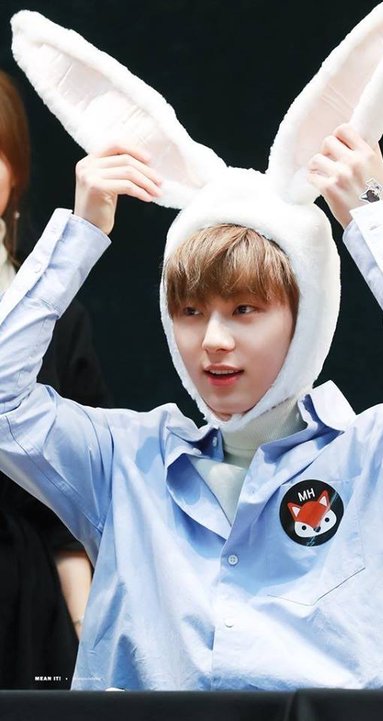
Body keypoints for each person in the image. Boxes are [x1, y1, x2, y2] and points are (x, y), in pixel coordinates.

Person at [2, 0, 383, 691]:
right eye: (190, 311)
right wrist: (79, 234)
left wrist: (373, 220)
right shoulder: (125, 465)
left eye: (246, 309)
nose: (214, 340)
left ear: (306, 315)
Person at [0, 69, 110, 688]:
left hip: (24, 602)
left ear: (15, 171)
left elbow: (73, 501)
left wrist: (86, 630)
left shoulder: (58, 319)